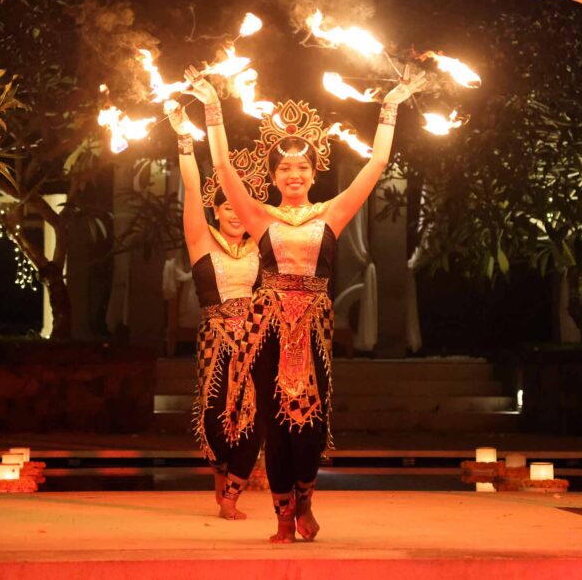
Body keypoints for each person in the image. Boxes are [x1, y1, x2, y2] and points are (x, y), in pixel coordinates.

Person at [186, 67, 428, 542]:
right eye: (284, 169)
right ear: (274, 176)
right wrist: (212, 106)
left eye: (302, 168)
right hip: (266, 327)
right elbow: (222, 171)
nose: (293, 175)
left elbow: (376, 164)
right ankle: (281, 515)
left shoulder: (332, 213)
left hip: (312, 325)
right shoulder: (259, 217)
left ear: (314, 173)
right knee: (276, 424)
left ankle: (306, 501)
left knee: (310, 421)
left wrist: (392, 105)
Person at [166, 102, 269, 520]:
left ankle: (233, 493)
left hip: (258, 336)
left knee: (255, 413)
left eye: (239, 207)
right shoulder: (201, 241)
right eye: (225, 205)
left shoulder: (264, 242)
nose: (233, 213)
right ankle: (219, 475)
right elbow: (193, 189)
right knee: (215, 413)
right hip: (216, 339)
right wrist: (184, 139)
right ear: (217, 209)